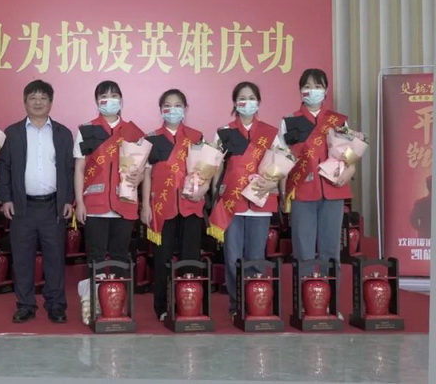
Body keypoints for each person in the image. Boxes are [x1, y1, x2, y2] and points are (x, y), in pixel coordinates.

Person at [0, 80, 74, 324]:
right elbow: (4, 167)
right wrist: (5, 198)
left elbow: (69, 169)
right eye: (33, 97)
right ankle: (25, 305)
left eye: (43, 98)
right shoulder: (12, 133)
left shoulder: (63, 133)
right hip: (22, 208)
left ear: (51, 102)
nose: (38, 102)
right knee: (22, 259)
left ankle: (56, 305)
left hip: (53, 206)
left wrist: (69, 199)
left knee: (55, 258)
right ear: (25, 102)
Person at [208, 82, 279, 317]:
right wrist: (214, 195)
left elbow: (281, 165)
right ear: (235, 102)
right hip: (232, 203)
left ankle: (256, 303)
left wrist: (273, 184)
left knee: (256, 257)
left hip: (260, 201)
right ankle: (236, 304)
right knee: (232, 257)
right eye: (242, 98)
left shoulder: (271, 133)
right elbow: (215, 167)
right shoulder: (224, 132)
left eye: (251, 98)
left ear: (258, 102)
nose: (247, 102)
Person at [278, 69, 352, 277]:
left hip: (333, 190)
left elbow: (349, 154)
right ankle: (306, 294)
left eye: (318, 86)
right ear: (300, 91)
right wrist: (282, 195)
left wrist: (349, 170)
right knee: (303, 249)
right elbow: (281, 161)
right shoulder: (288, 122)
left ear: (326, 90)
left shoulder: (338, 121)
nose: (312, 91)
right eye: (307, 87)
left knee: (331, 248)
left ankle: (331, 294)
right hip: (301, 191)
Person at [140, 89, 205, 321]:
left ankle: (190, 305)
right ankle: (163, 307)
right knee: (162, 259)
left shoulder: (196, 137)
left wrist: (203, 191)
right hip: (162, 208)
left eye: (178, 105)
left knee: (190, 257)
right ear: (161, 110)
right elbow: (147, 175)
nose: (172, 109)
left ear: (185, 109)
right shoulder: (151, 139)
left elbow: (206, 170)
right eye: (167, 105)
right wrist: (145, 206)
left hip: (190, 205)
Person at [74, 80, 144, 272]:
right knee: (95, 256)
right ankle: (96, 292)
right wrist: (79, 203)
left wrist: (139, 178)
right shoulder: (86, 130)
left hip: (124, 202)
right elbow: (79, 169)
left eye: (114, 96)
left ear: (121, 100)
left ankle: (116, 292)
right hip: (94, 205)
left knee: (120, 256)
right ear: (96, 101)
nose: (109, 100)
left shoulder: (133, 132)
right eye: (104, 96)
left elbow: (142, 168)